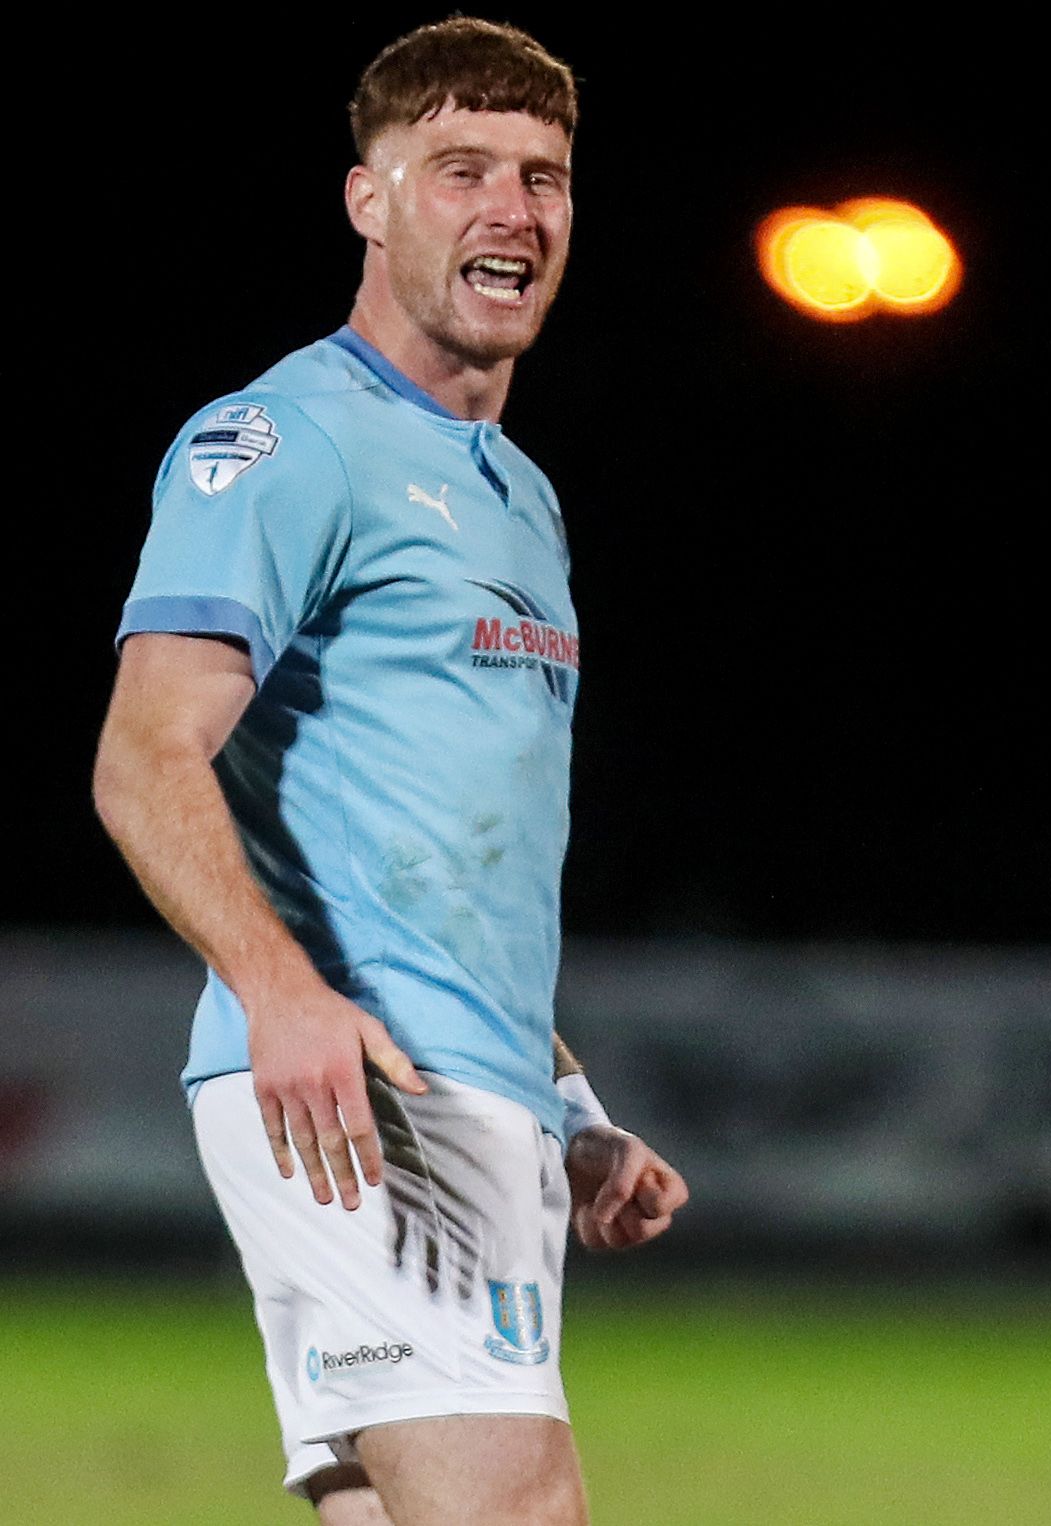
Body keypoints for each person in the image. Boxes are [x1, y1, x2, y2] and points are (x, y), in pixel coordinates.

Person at [92, 20, 687, 1525]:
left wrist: (572, 1099)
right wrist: (284, 994)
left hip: (468, 1090)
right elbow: (143, 757)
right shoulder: (287, 439)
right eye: (463, 169)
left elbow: (444, 851)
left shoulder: (520, 493)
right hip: (364, 1088)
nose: (515, 209)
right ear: (370, 198)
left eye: (545, 177)